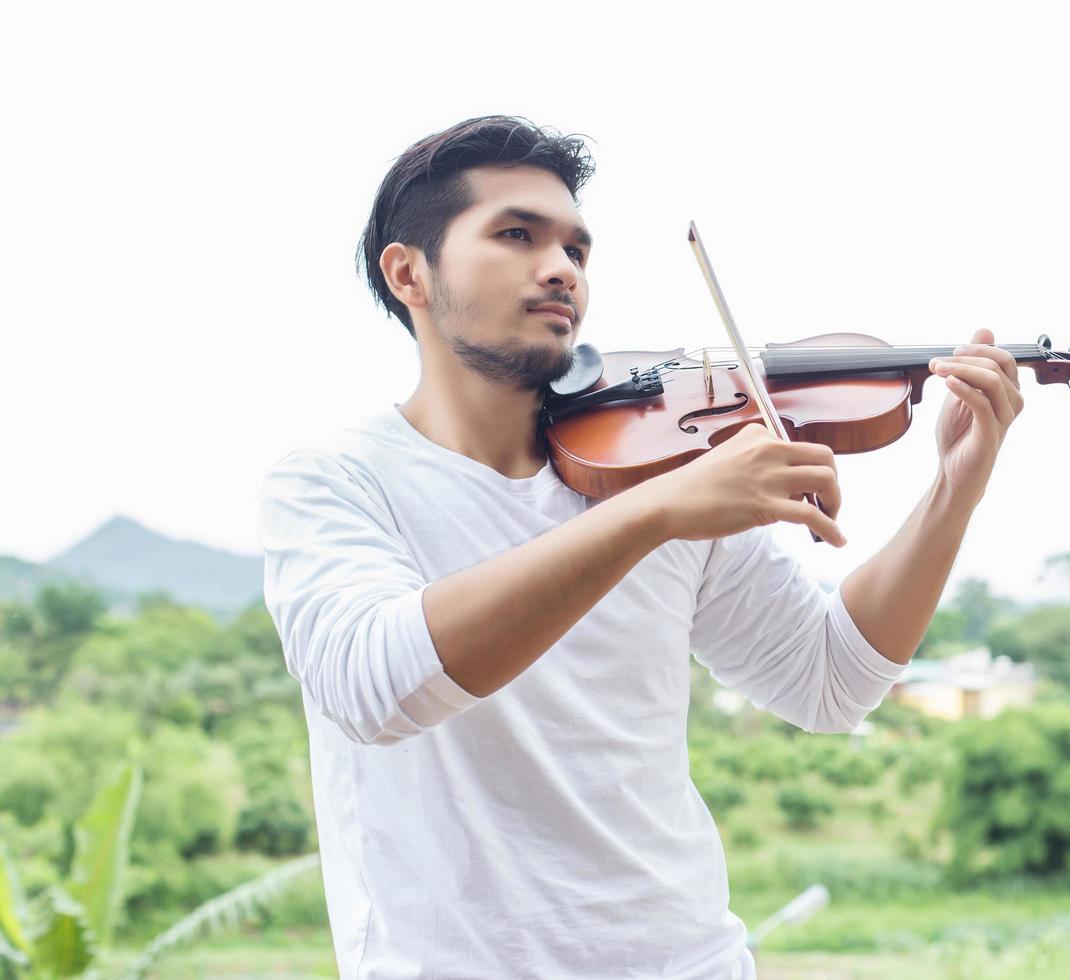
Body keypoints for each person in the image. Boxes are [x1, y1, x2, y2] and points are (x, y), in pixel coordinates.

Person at [257, 114, 1026, 979]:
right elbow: (375, 686)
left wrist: (953, 491)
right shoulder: (334, 480)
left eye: (577, 250)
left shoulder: (657, 469)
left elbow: (830, 681)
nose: (559, 269)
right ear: (410, 273)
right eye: (515, 235)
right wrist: (650, 514)